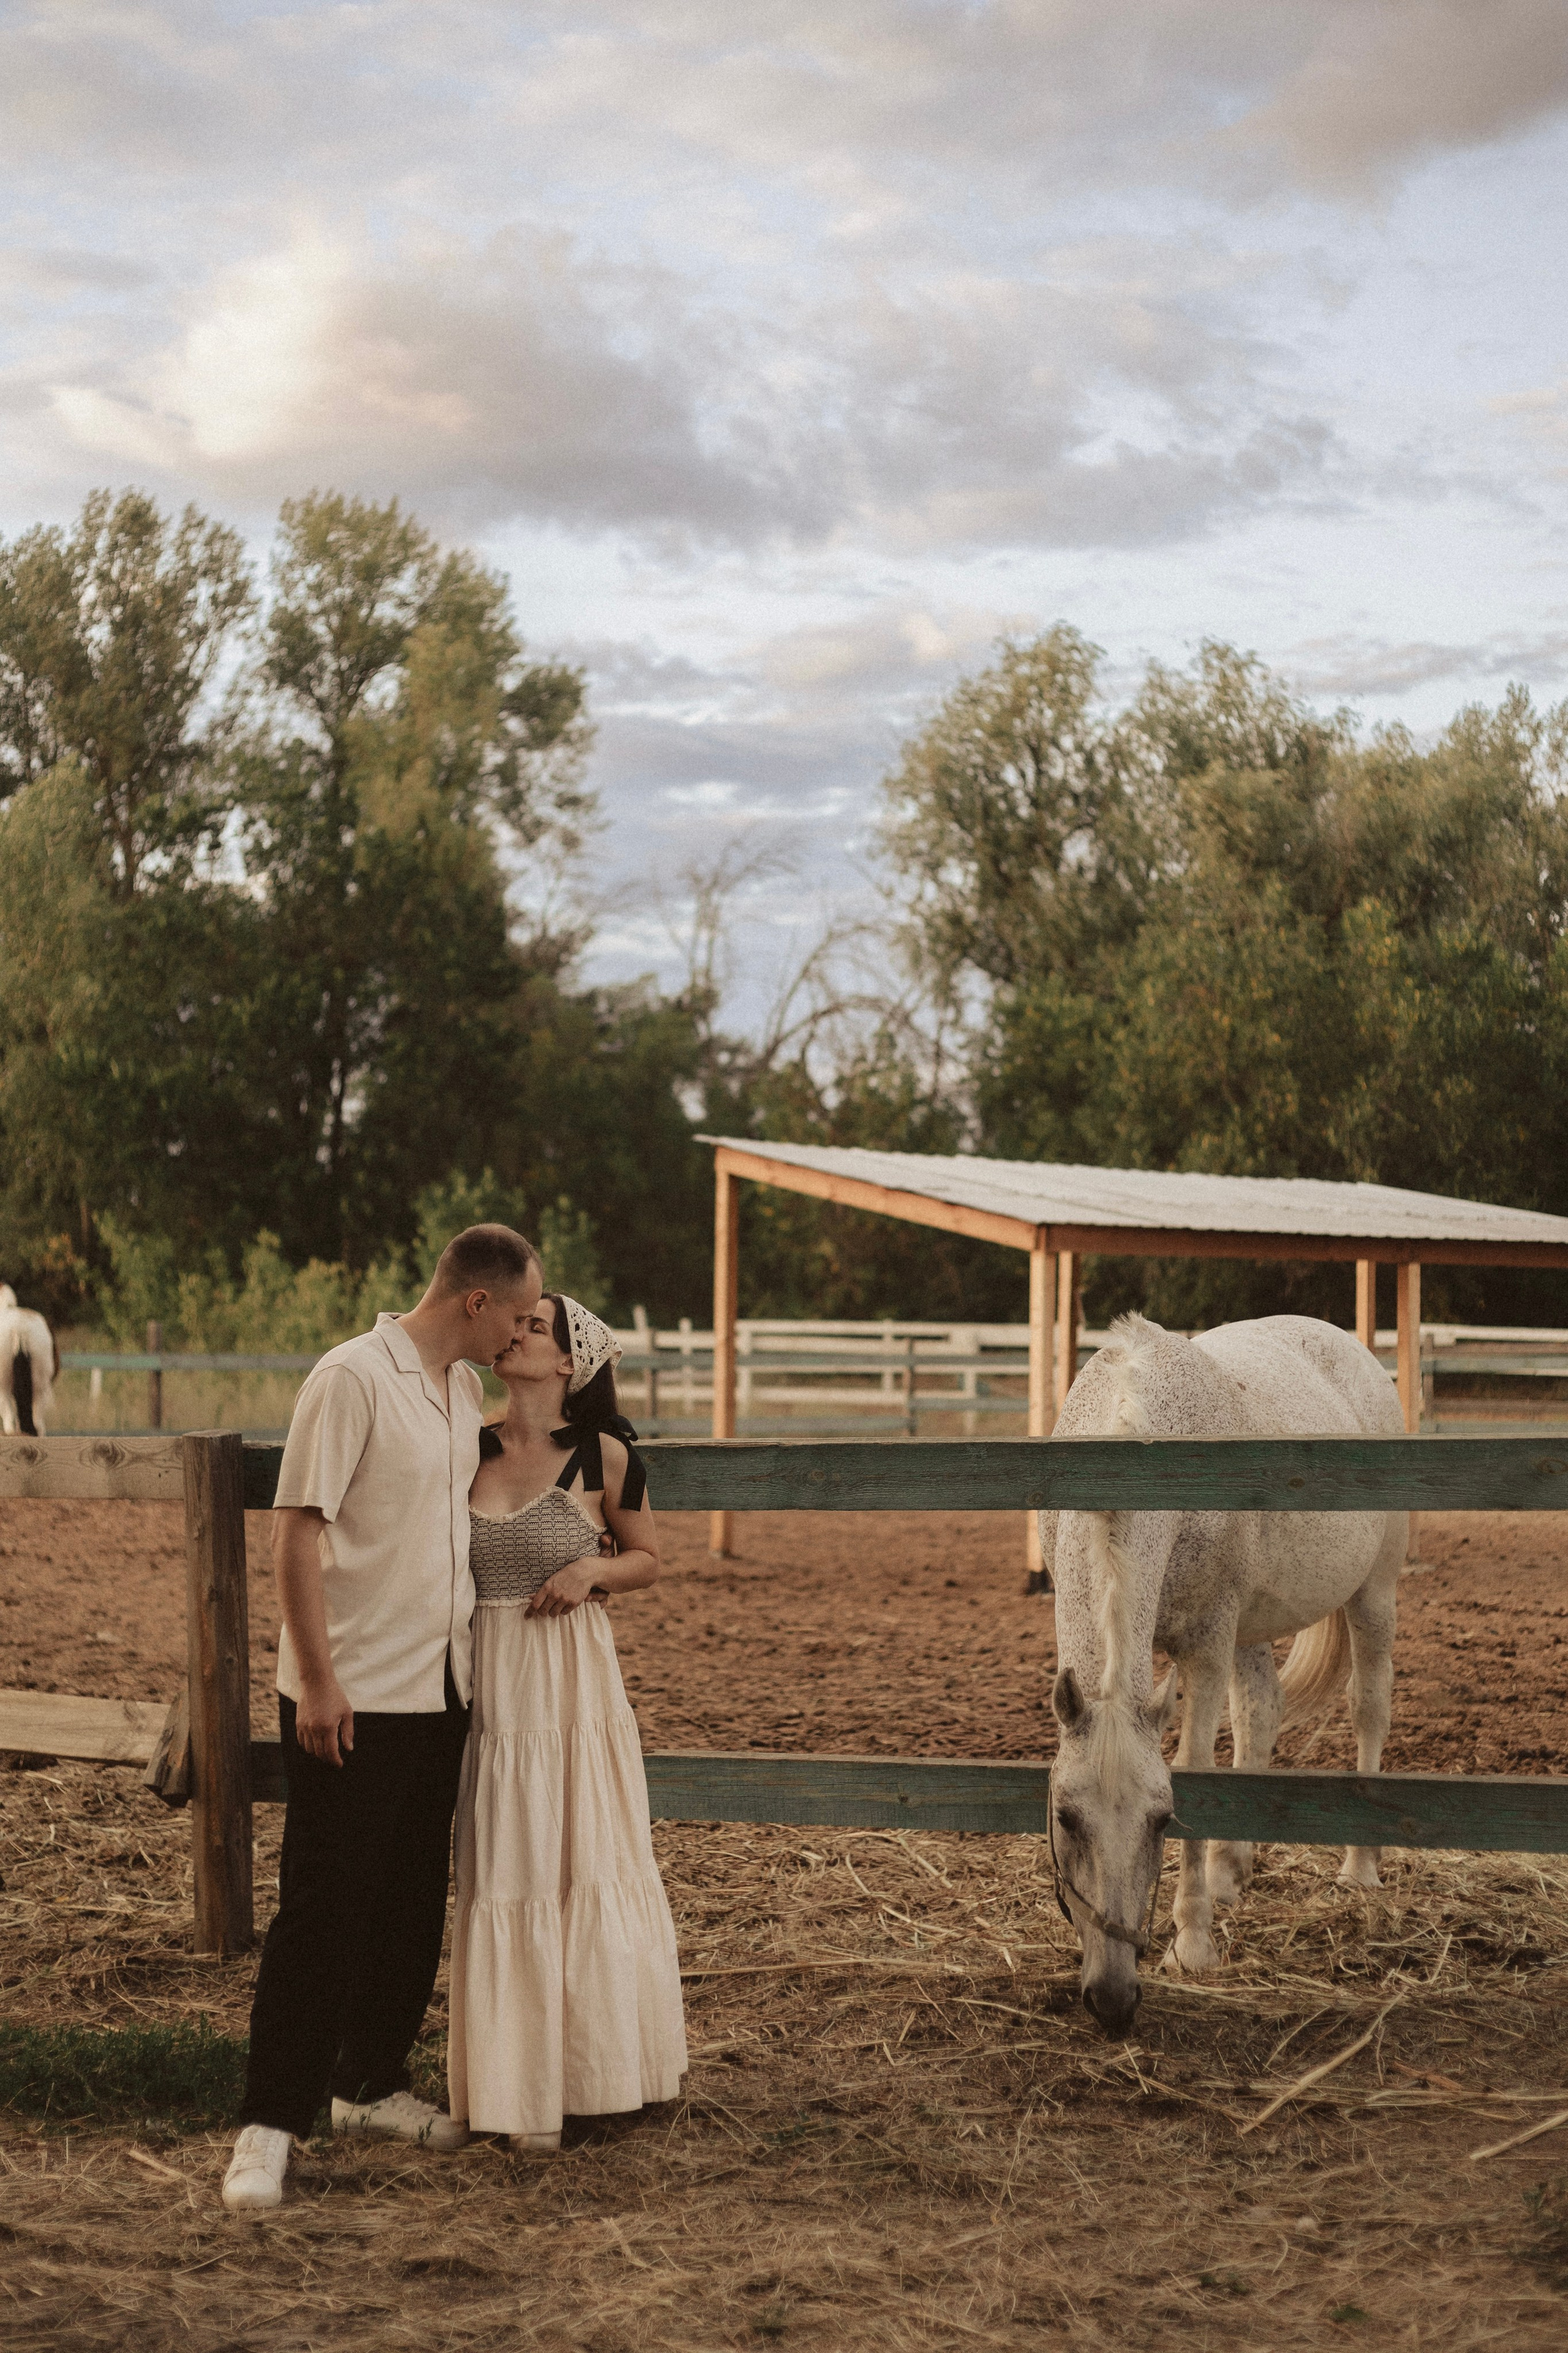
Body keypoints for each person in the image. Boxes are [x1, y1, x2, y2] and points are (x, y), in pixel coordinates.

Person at [222, 1225, 543, 2213]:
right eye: (521, 1314)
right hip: (350, 1695)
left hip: (441, 1690)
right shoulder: (350, 1378)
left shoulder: (458, 1394)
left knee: (409, 1902)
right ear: (477, 1302)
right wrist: (316, 1682)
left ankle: (366, 2084)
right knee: (323, 1908)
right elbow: (295, 1535)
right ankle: (268, 2126)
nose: (526, 1333)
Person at [447, 1293, 687, 2149]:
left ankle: (597, 2078)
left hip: (575, 1694)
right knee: (509, 1871)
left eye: (536, 1327)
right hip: (496, 1693)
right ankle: (517, 2094)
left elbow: (651, 1559)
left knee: (585, 1863)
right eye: (516, 1322)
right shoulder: (461, 1445)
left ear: (567, 1365)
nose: (516, 1332)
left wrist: (592, 1570)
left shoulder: (605, 1456)